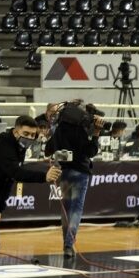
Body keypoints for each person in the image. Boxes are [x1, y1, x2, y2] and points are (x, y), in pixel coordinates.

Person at [0, 116, 61, 278]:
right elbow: (15, 173)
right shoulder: (2, 148)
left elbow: (8, 181)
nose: (29, 138)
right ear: (15, 132)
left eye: (32, 135)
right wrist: (44, 177)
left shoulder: (18, 149)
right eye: (25, 133)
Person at [45, 101, 105, 259]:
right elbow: (90, 151)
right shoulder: (81, 129)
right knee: (76, 210)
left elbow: (48, 150)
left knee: (66, 210)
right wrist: (96, 133)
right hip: (80, 171)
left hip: (64, 171)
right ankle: (68, 245)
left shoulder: (60, 129)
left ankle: (67, 244)